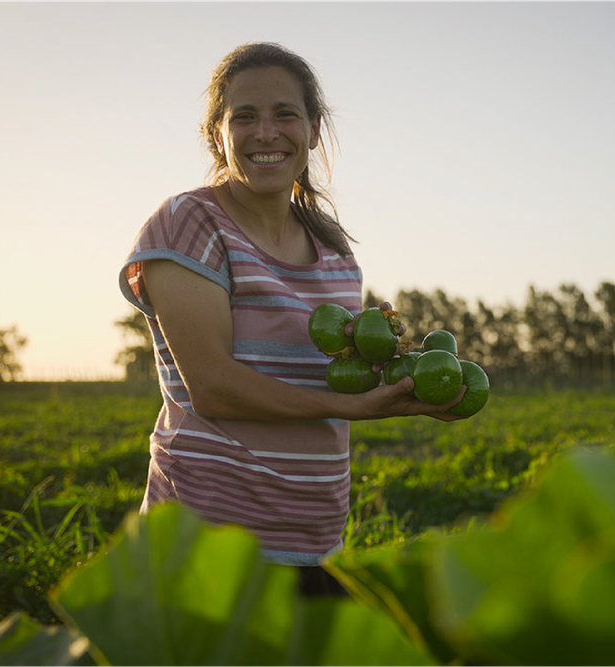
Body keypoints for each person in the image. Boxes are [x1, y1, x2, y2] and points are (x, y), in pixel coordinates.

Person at [118, 43, 465, 596]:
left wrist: (413, 380)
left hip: (316, 541)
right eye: (244, 117)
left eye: (285, 114)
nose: (266, 133)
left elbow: (343, 369)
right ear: (217, 135)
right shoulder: (188, 223)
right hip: (206, 545)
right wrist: (353, 408)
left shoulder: (333, 247)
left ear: (313, 129)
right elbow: (212, 387)